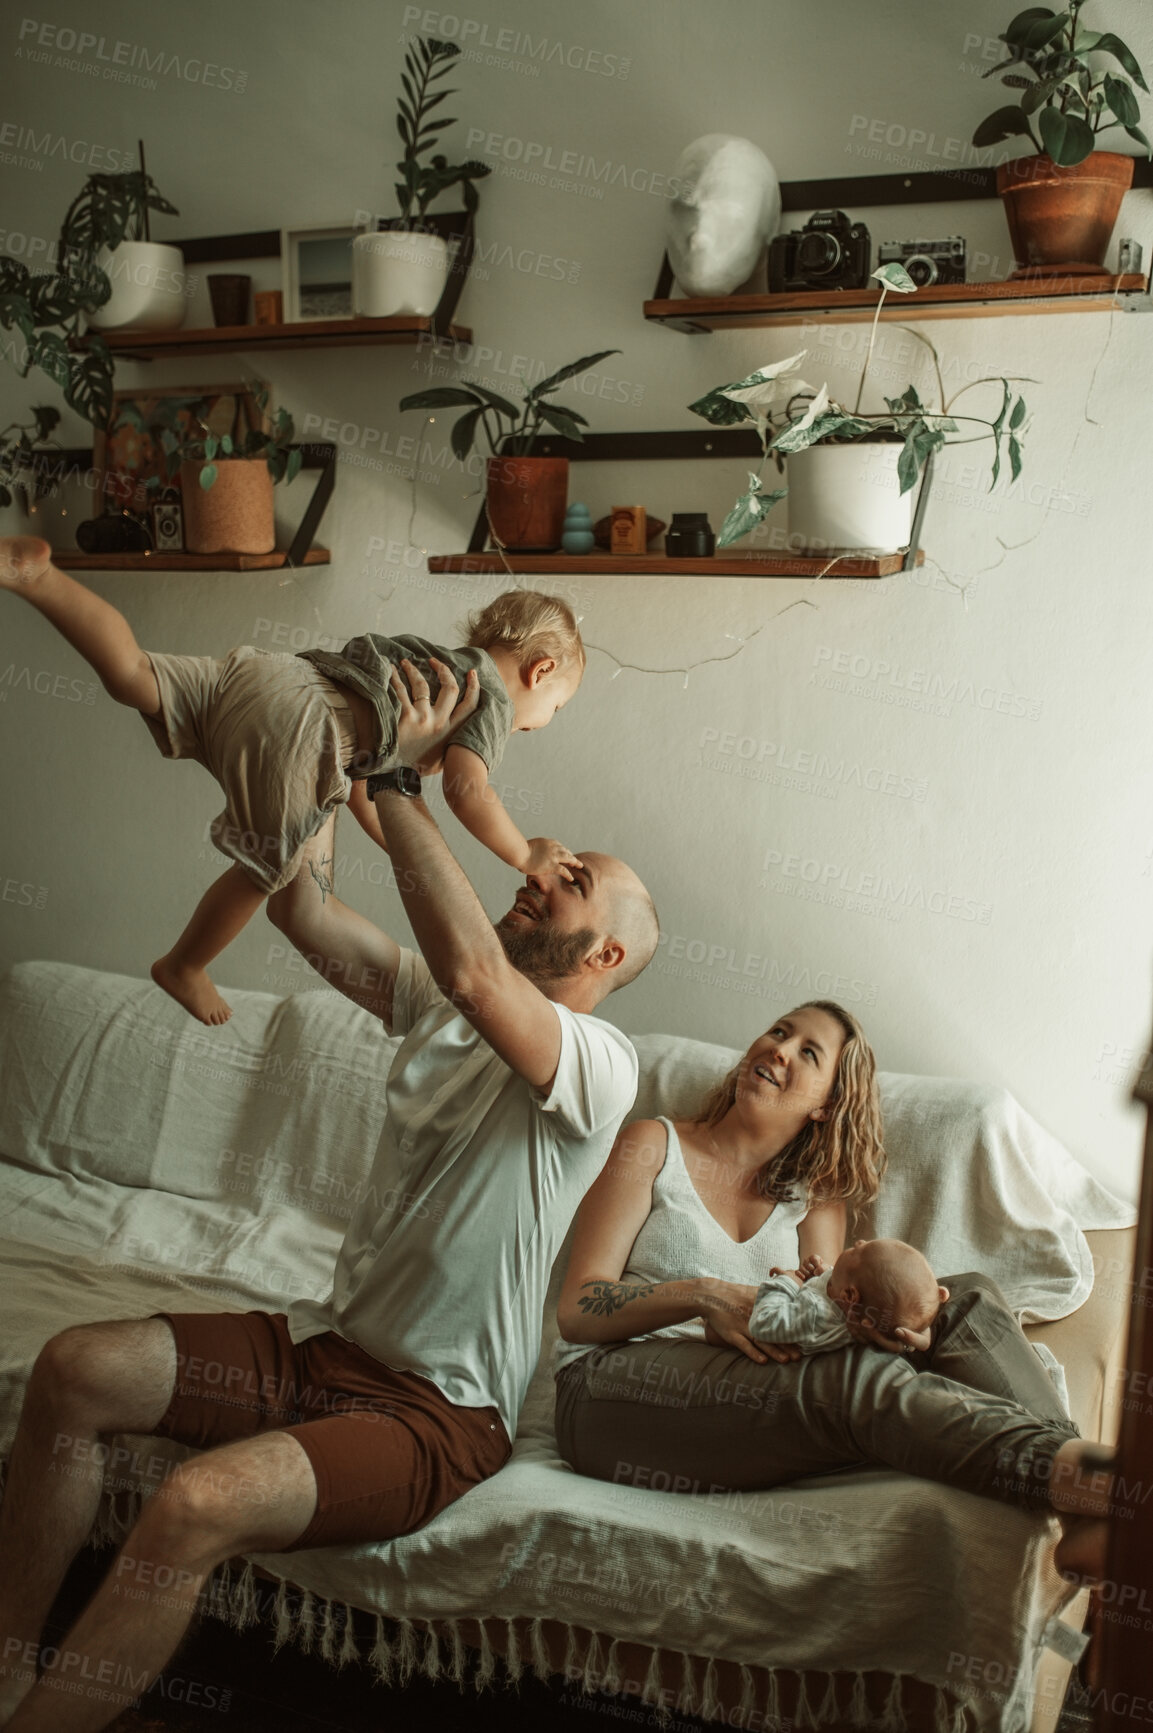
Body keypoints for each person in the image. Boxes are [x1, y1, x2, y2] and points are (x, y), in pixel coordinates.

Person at [0, 659, 660, 1733]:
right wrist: (315, 756)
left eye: (573, 879)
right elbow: (303, 906)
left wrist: (396, 778)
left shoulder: (600, 1061)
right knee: (73, 1370)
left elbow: (479, 978)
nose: (541, 870)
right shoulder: (437, 1007)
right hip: (324, 1351)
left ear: (610, 948)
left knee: (193, 1500)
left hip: (436, 1414)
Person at [554, 1000, 1113, 1569]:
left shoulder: (816, 1196)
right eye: (778, 1031)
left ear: (825, 1106)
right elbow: (577, 1309)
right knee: (854, 1381)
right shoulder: (653, 1143)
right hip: (611, 1392)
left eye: (808, 1052)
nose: (779, 1049)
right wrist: (702, 1294)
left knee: (965, 1296)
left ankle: (1081, 1503)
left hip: (749, 1396)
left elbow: (830, 1318)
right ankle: (1102, 1485)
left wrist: (891, 1331)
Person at [0, 534, 584, 1025]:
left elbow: (363, 772)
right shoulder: (490, 703)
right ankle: (184, 965)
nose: (544, 723)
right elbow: (466, 791)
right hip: (308, 732)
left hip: (278, 678)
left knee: (133, 674)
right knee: (265, 869)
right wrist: (524, 851)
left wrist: (389, 838)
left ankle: (37, 577)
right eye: (556, 709)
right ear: (542, 670)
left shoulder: (436, 663)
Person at [749, 1239, 950, 1357]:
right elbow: (842, 1287)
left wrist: (786, 1283)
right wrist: (825, 1274)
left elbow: (762, 1322)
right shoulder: (847, 1302)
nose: (859, 1241)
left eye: (857, 1251)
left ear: (849, 1295)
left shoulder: (814, 1314)